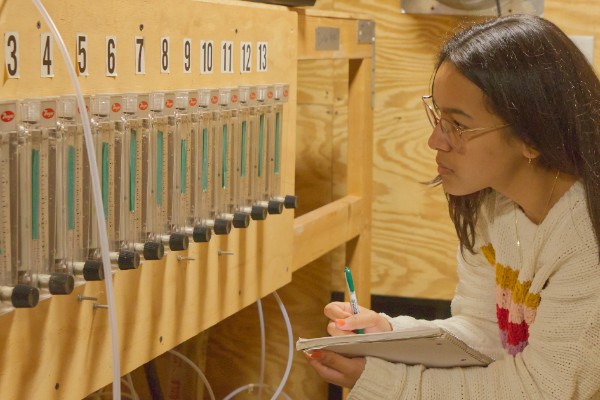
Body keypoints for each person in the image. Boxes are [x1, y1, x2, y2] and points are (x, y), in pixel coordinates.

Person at [305, 14, 600, 399]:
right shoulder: (492, 206)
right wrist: (390, 335)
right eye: (438, 116)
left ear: (533, 135)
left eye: (458, 125)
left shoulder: (585, 239)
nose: (435, 141)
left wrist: (383, 381)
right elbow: (483, 335)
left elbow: (541, 388)